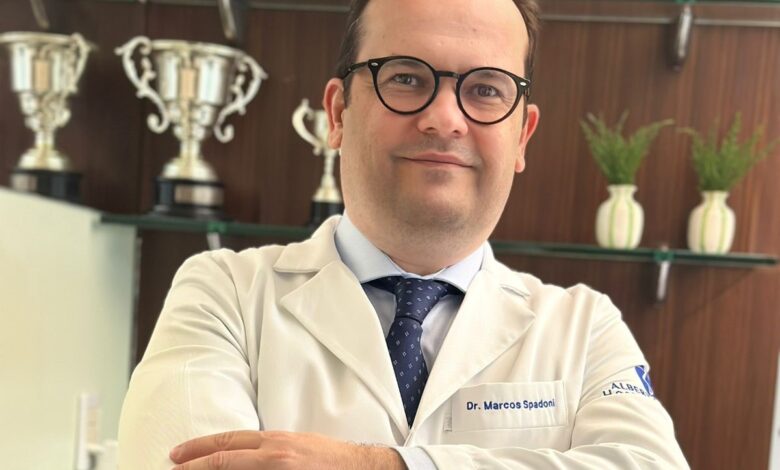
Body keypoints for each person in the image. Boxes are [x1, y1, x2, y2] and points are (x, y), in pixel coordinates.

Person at [118, 0, 690, 468]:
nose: (445, 118)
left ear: (522, 137)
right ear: (337, 114)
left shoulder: (585, 329)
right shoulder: (223, 296)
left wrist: (377, 466)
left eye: (486, 89)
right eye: (407, 78)